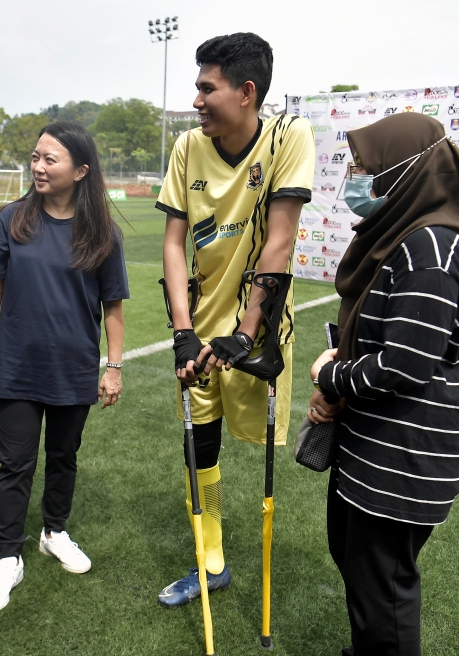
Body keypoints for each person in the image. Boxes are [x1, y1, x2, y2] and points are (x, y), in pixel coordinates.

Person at [306, 112, 459, 656]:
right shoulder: (404, 237)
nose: (354, 179)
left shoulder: (430, 248)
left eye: (365, 167)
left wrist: (330, 375)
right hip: (377, 443)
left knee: (384, 586)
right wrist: (340, 385)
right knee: (358, 563)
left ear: (408, 170)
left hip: (406, 454)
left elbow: (405, 364)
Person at [155, 32, 314, 608]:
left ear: (247, 92)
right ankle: (211, 561)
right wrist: (182, 330)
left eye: (206, 88)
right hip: (198, 324)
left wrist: (247, 331)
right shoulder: (187, 148)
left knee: (262, 444)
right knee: (201, 444)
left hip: (259, 326)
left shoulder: (287, 135)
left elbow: (282, 237)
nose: (196, 101)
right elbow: (174, 244)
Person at [0, 121, 128, 613]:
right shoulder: (12, 220)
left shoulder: (101, 231)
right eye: (35, 157)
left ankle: (54, 532)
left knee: (64, 458)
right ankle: (7, 557)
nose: (38, 166)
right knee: (15, 463)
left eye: (50, 159)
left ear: (81, 171)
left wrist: (114, 367)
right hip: (16, 366)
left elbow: (113, 307)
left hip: (73, 368)